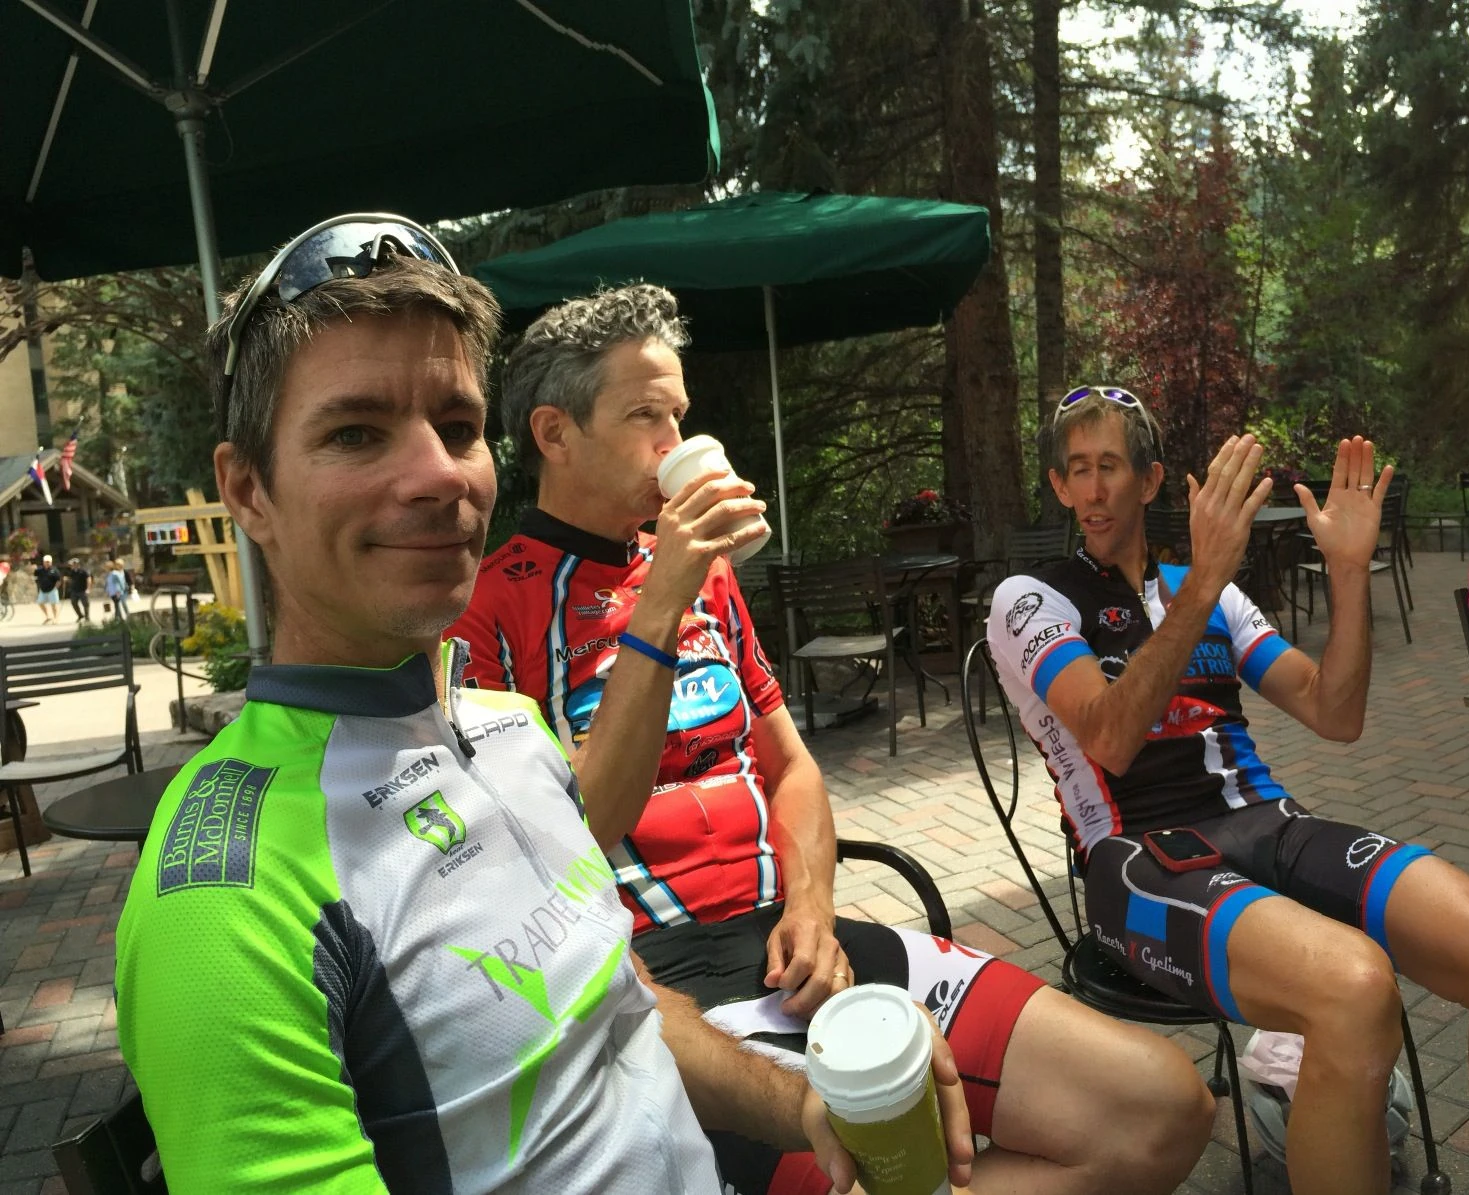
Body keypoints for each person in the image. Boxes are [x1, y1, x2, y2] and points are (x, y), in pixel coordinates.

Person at [114, 213, 967, 1193]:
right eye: (355, 431)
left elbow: (625, 1009)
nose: (438, 473)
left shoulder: (511, 735)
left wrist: (803, 1104)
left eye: (458, 427)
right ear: (248, 489)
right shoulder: (226, 893)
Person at [448, 285, 1212, 1194]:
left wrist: (811, 903)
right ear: (553, 433)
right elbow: (570, 842)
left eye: (679, 413)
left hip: (801, 946)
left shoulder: (703, 575)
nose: (673, 439)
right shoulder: (491, 609)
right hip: (662, 991)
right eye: (643, 414)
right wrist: (658, 607)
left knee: (1163, 1105)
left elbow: (793, 765)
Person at [985, 392, 1469, 1195]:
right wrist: (1201, 582)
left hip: (1268, 823)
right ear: (1056, 484)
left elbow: (1336, 710)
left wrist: (1349, 572)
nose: (1092, 491)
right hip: (1138, 858)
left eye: (1110, 467)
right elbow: (1109, 740)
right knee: (1357, 990)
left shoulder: (1210, 591)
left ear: (1149, 480)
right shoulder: (1032, 599)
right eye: (1076, 471)